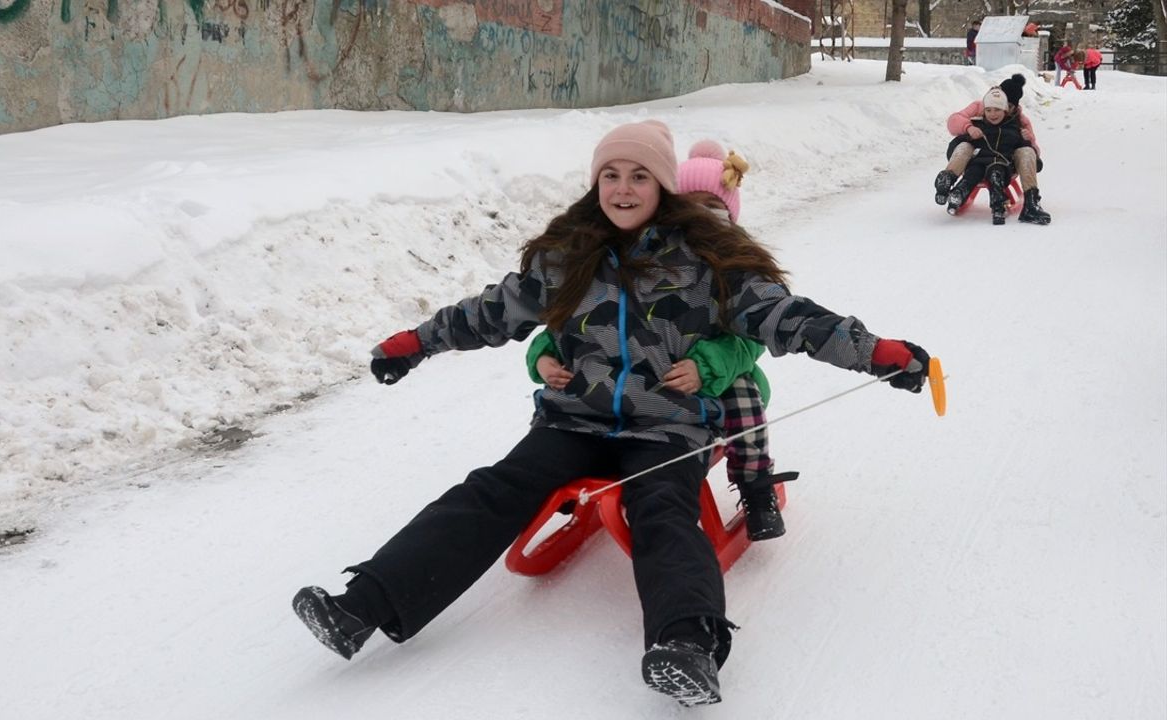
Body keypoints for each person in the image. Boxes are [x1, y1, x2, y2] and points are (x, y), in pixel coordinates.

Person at [290, 120, 932, 707]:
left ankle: (688, 645)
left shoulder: (710, 262)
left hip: (667, 427)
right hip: (574, 420)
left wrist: (875, 353)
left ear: (664, 187)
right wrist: (415, 343)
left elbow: (789, 320)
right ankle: (362, 608)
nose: (623, 188)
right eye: (611, 175)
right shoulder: (567, 256)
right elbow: (488, 313)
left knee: (660, 511)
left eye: (639, 176)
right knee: (491, 491)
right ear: (596, 183)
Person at [526, 139, 797, 541]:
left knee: (742, 394)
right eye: (690, 206)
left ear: (730, 216)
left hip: (712, 382)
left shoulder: (734, 264)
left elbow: (752, 337)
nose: (702, 217)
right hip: (645, 380)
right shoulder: (643, 258)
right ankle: (563, 468)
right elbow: (577, 321)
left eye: (713, 207)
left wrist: (705, 366)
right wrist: (544, 357)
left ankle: (755, 485)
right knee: (574, 386)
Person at [934, 74, 1052, 225]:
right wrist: (969, 127)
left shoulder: (1020, 121)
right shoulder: (980, 107)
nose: (996, 112)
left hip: (1005, 161)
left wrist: (1029, 140)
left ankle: (1031, 204)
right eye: (992, 108)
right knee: (965, 145)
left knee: (1027, 151)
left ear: (1014, 107)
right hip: (974, 158)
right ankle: (948, 179)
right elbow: (953, 121)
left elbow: (1034, 152)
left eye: (1007, 106)